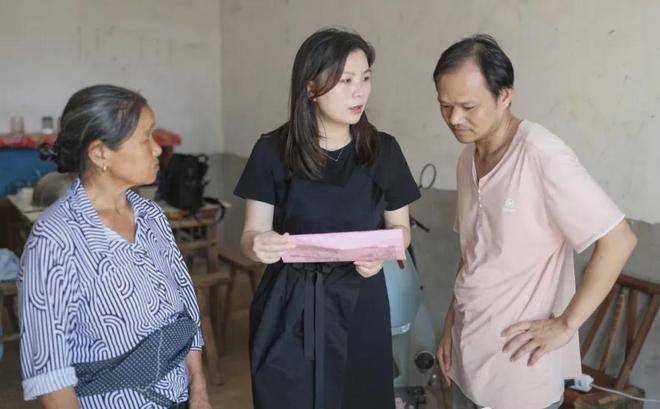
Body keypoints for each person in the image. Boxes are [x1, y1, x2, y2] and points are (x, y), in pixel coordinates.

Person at [432, 35, 638, 409]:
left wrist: (566, 324)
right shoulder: (468, 159)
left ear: (504, 96)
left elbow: (619, 240)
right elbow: (472, 253)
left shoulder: (542, 155)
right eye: (445, 106)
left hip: (520, 375)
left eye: (468, 106)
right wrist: (449, 323)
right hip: (466, 355)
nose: (455, 119)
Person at [234, 28, 421, 409]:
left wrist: (381, 252)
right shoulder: (272, 150)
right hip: (290, 304)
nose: (359, 92)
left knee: (360, 397)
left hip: (360, 300)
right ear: (310, 87)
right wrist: (258, 244)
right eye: (345, 80)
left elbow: (401, 230)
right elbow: (251, 235)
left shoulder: (383, 150)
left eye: (365, 78)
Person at [19, 85, 212, 409]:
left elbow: (186, 312)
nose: (157, 149)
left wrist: (199, 390)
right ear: (100, 154)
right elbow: (51, 380)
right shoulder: (54, 240)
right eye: (145, 138)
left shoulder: (151, 216)